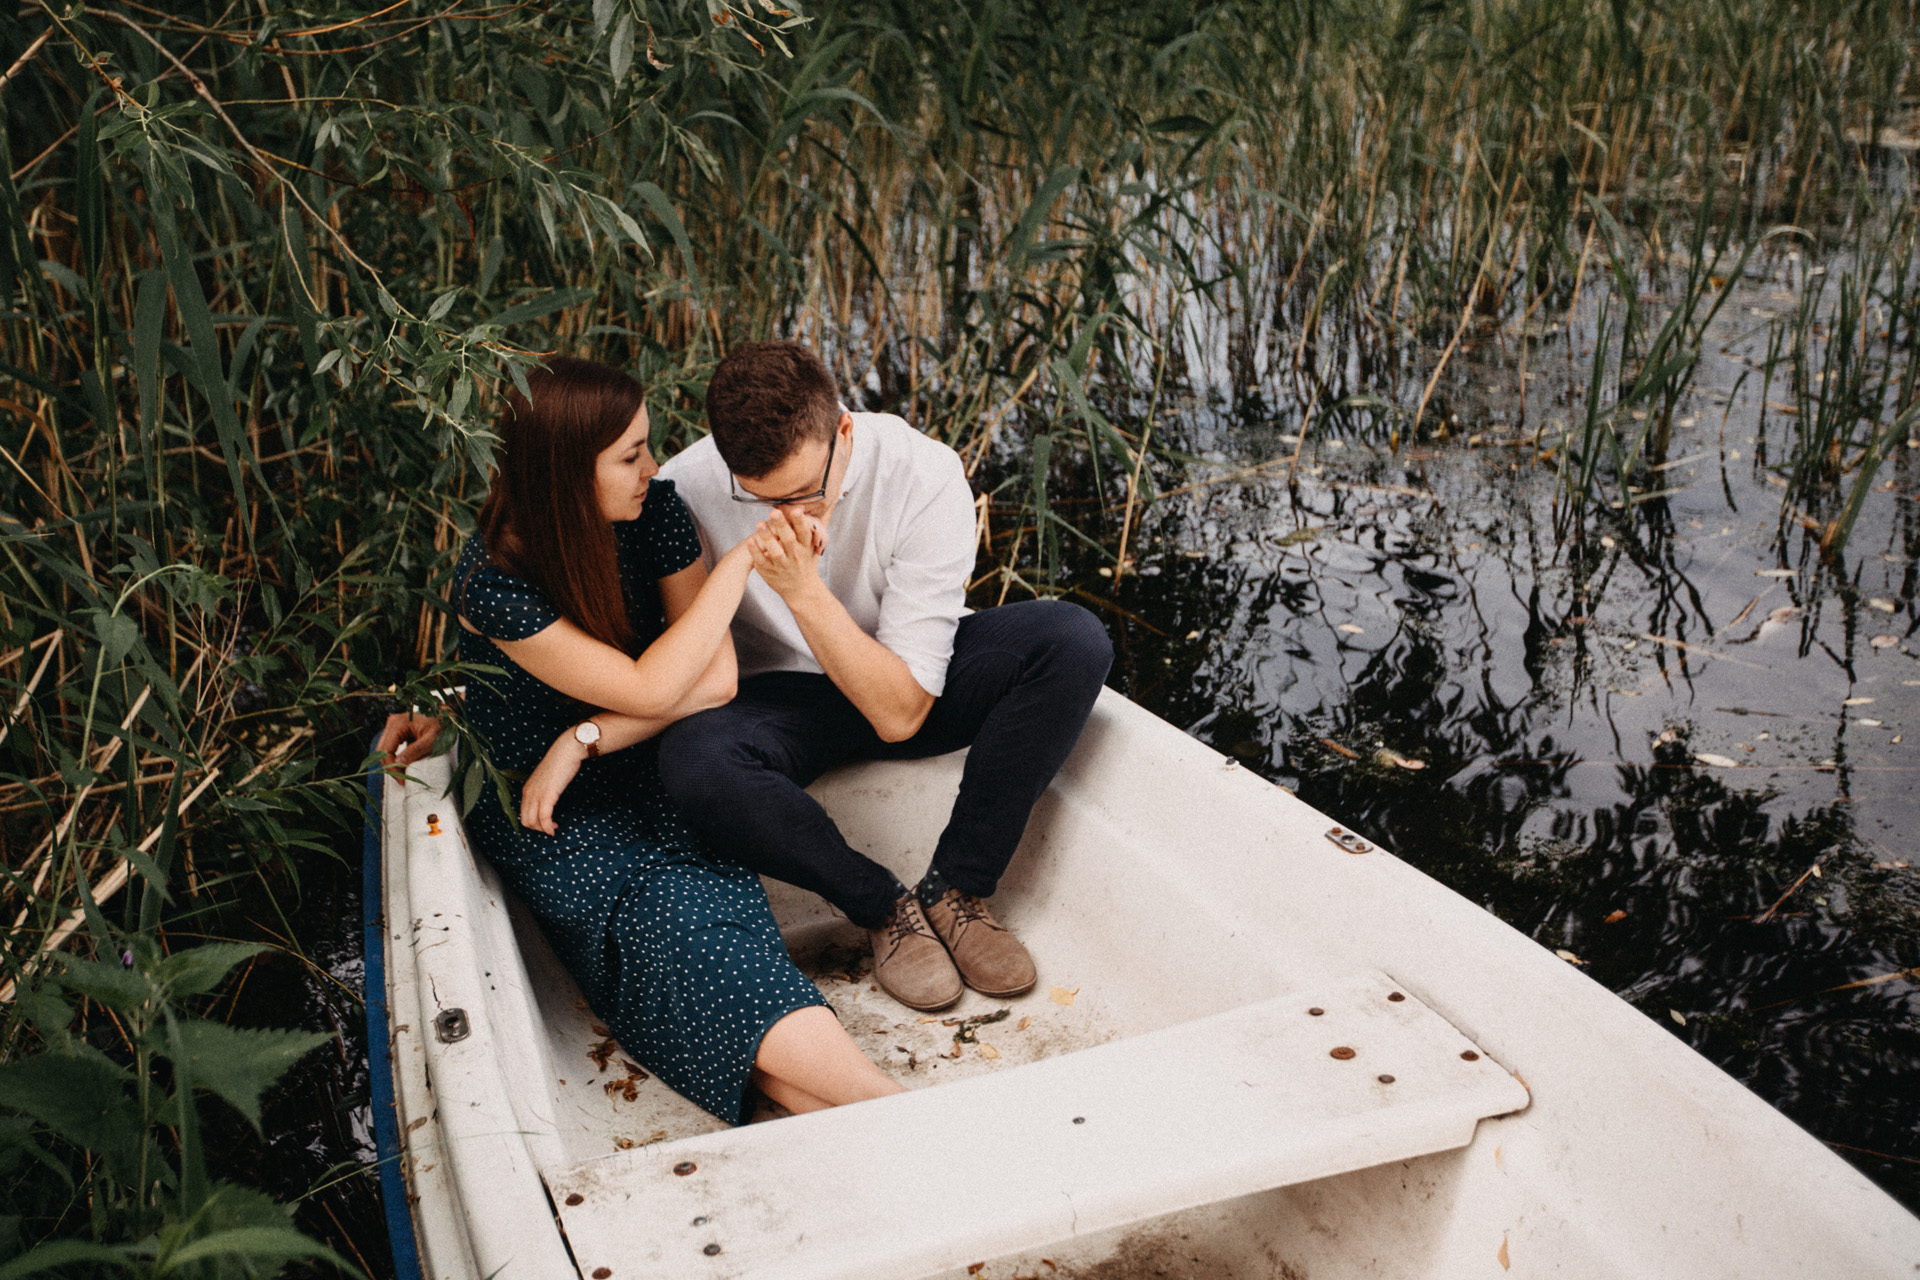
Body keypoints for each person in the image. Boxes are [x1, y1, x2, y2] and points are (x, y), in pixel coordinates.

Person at [375, 356, 900, 1124]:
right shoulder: (496, 581)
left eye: (648, 446)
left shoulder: (655, 514)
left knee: (721, 931)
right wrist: (741, 563)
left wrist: (584, 737)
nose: (654, 468)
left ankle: (879, 1114)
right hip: (552, 813)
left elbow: (716, 682)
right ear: (564, 472)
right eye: (630, 455)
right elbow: (656, 687)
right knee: (673, 928)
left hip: (651, 771)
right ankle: (899, 1111)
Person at [532, 341, 1113, 1013]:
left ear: (843, 430)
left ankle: (957, 889)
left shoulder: (923, 474)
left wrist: (802, 592)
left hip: (903, 683)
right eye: (759, 499)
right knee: (694, 761)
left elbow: (901, 715)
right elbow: (664, 660)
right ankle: (882, 907)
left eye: (806, 493)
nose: (789, 517)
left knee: (1071, 640)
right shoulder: (684, 488)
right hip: (774, 704)